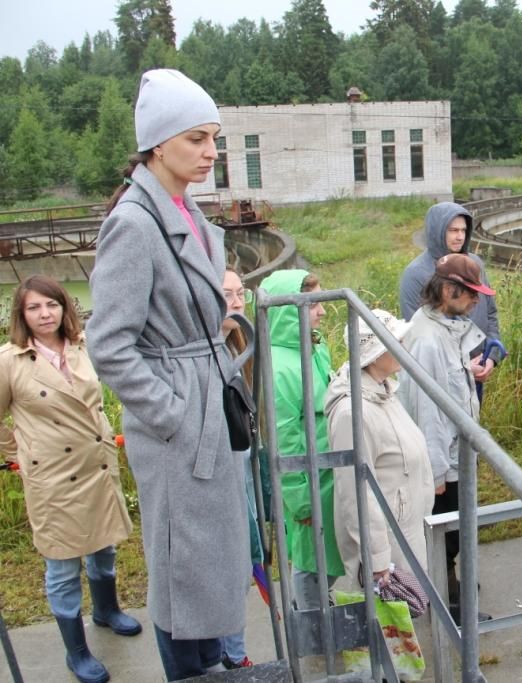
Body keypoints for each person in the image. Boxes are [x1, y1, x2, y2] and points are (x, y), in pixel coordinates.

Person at [87, 68, 249, 681]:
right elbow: (109, 343)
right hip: (180, 420)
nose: (211, 152)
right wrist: (172, 414)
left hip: (206, 402)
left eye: (214, 138)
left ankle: (213, 662)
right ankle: (190, 673)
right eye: (196, 139)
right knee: (185, 570)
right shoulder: (134, 224)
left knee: (210, 561)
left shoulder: (182, 209)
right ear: (157, 143)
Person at [0, 276, 139, 683]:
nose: (45, 314)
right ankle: (76, 651)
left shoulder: (82, 347)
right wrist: (19, 453)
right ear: (22, 315)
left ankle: (107, 610)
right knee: (62, 567)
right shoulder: (9, 360)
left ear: (65, 308)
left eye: (52, 305)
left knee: (104, 548)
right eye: (34, 308)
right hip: (53, 479)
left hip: (95, 465)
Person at [398, 253, 493, 622]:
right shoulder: (429, 340)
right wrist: (436, 474)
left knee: (451, 533)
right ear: (449, 290)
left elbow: (445, 387)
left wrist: (467, 371)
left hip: (453, 456)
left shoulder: (444, 328)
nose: (476, 301)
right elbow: (427, 412)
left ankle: (450, 593)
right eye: (471, 293)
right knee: (444, 535)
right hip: (444, 462)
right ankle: (448, 606)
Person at [326, 309, 433, 583]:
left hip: (405, 529)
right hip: (388, 549)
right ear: (374, 353)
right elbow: (354, 492)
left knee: (408, 614)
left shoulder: (383, 392)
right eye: (394, 341)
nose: (403, 346)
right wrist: (377, 561)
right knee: (389, 621)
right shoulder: (353, 412)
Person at [262, 269, 346, 609]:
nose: (322, 311)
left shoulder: (314, 346)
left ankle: (316, 609)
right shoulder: (281, 367)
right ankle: (312, 625)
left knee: (328, 551)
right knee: (312, 559)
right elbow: (285, 437)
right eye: (312, 305)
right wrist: (300, 500)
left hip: (327, 468)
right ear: (287, 310)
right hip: (311, 478)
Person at [399, 202, 501, 399]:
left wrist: (492, 357)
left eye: (463, 230)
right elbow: (416, 337)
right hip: (442, 380)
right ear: (437, 231)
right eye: (453, 230)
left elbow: (490, 313)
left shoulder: (474, 264)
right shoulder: (416, 274)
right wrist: (461, 367)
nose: (460, 236)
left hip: (479, 368)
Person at [219, 268, 259, 669]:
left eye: (240, 293)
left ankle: (233, 648)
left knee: (244, 560)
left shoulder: (238, 345)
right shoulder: (209, 354)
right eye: (226, 293)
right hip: (222, 474)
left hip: (242, 467)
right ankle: (230, 653)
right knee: (230, 564)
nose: (236, 301)